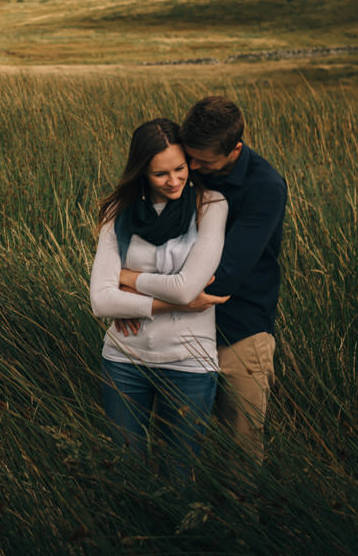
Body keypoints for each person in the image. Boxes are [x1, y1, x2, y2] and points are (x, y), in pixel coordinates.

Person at [89, 117, 229, 486]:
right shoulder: (116, 214)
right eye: (160, 174)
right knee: (125, 472)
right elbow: (101, 301)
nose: (174, 181)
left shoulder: (210, 205)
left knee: (179, 476)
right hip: (123, 360)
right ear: (141, 173)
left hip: (189, 363)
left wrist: (129, 282)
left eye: (180, 169)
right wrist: (171, 303)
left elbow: (186, 287)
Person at [177, 95, 287, 467]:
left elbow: (227, 274)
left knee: (240, 451)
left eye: (203, 162)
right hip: (179, 327)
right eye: (189, 156)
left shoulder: (266, 186)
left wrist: (145, 297)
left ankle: (239, 522)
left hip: (239, 331)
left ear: (234, 149)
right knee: (177, 441)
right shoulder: (185, 164)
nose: (191, 167)